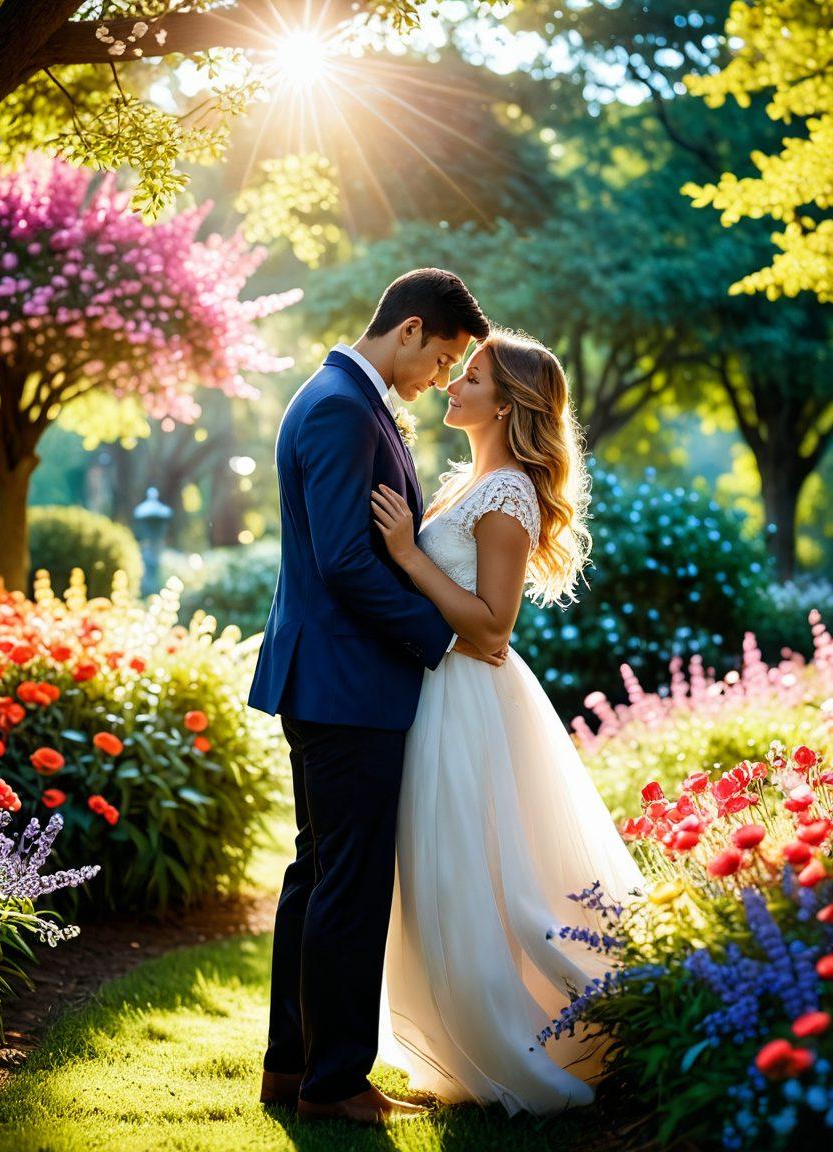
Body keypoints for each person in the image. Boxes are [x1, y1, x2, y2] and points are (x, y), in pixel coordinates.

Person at [371, 328, 645, 1116]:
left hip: (468, 697)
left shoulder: (510, 493)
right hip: (435, 689)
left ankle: (518, 1044)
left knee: (477, 873)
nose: (453, 383)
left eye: (474, 376)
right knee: (439, 873)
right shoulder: (467, 482)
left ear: (508, 402)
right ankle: (462, 1045)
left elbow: (494, 630)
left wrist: (409, 556)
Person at [247, 268, 494, 1124]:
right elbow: (347, 560)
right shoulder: (342, 408)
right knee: (347, 885)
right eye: (445, 358)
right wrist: (439, 634)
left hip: (330, 678)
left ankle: (293, 1067)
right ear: (412, 330)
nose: (440, 378)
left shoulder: (343, 398)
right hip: (347, 683)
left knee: (318, 876)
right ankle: (336, 1082)